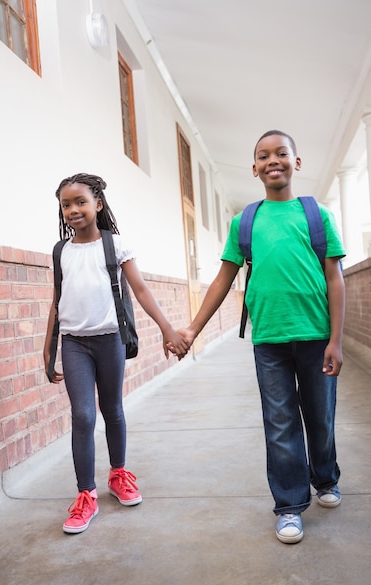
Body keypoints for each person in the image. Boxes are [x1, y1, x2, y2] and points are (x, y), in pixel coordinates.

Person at [178, 130, 345, 544]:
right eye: (264, 156)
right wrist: (192, 329)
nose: (274, 161)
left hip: (316, 336)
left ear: (296, 162)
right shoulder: (244, 222)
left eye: (282, 153)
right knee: (280, 422)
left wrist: (336, 340)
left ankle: (325, 477)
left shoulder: (316, 215)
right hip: (268, 339)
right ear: (254, 169)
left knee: (320, 419)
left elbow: (335, 279)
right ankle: (289, 505)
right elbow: (222, 280)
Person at [43, 173, 189, 534]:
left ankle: (119, 475)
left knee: (113, 410)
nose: (73, 209)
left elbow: (140, 290)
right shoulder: (61, 251)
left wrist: (167, 328)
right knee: (82, 415)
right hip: (74, 343)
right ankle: (85, 494)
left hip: (109, 340)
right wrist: (49, 353)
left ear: (98, 204)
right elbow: (56, 304)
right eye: (66, 204)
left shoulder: (115, 246)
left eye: (80, 202)